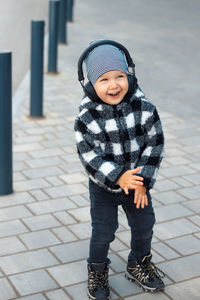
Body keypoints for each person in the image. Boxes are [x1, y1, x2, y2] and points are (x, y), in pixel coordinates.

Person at [74, 40, 165, 300]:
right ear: (89, 85)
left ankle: (138, 262)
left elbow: (155, 142)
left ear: (130, 76)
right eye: (104, 80)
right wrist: (117, 176)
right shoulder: (87, 116)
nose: (114, 85)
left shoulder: (144, 107)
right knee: (104, 230)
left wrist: (142, 179)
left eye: (120, 76)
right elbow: (89, 155)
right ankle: (98, 268)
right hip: (104, 187)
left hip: (137, 183)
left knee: (145, 224)